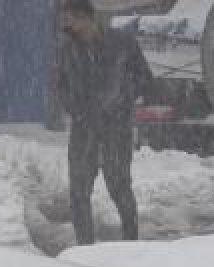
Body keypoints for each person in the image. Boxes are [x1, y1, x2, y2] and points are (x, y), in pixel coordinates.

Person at [54, 0, 152, 245]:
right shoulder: (67, 49)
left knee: (119, 186)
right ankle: (85, 246)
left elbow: (143, 78)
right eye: (65, 18)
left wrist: (121, 99)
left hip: (116, 127)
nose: (66, 24)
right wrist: (76, 110)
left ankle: (131, 242)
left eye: (71, 18)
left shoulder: (122, 43)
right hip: (84, 128)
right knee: (79, 191)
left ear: (87, 18)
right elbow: (60, 85)